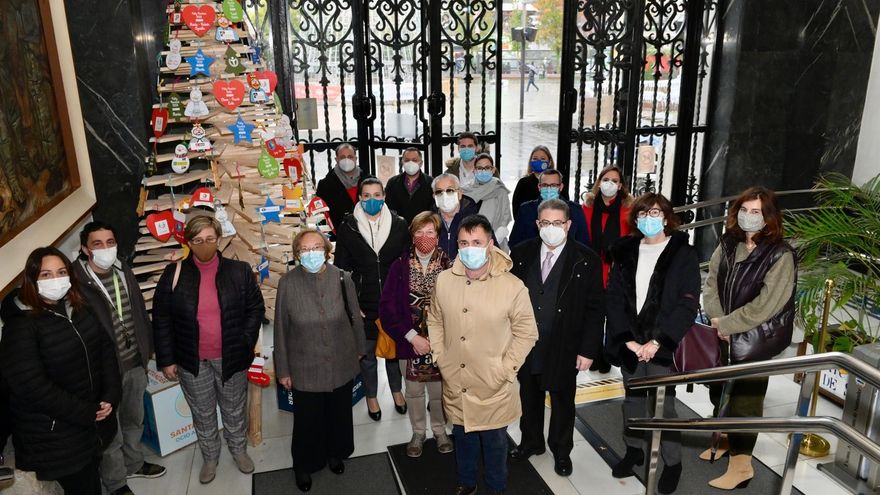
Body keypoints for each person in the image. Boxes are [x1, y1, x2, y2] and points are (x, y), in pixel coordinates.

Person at [427, 215, 538, 495]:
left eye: (477, 242)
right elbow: (435, 320)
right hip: (457, 378)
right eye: (464, 242)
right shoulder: (444, 281)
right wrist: (441, 356)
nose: (469, 248)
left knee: (495, 443)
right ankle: (467, 482)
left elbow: (527, 333)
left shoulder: (512, 286)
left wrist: (505, 369)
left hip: (494, 382)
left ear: (490, 245)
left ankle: (496, 486)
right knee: (463, 438)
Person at [152, 216, 265, 484]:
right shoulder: (174, 274)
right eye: (198, 240)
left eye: (210, 239)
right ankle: (210, 456)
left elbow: (255, 309)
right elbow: (162, 318)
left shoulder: (239, 271)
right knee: (202, 412)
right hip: (192, 359)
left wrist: (245, 341)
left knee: (234, 408)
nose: (205, 245)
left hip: (231, 356)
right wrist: (167, 359)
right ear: (188, 242)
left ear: (219, 239)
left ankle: (238, 450)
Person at [0, 247, 122, 494]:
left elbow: (105, 349)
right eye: (46, 274)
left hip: (91, 424)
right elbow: (31, 387)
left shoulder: (78, 306)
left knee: (92, 478)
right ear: (32, 280)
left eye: (61, 271)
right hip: (57, 435)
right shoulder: (20, 325)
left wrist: (110, 394)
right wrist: (86, 411)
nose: (55, 279)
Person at [604, 193, 700, 495]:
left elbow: (687, 303)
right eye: (643, 213)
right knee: (632, 400)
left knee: (663, 408)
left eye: (655, 212)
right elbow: (615, 298)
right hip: (631, 345)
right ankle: (634, 449)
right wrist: (627, 340)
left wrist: (659, 341)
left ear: (667, 216)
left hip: (663, 346)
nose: (649, 218)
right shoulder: (626, 251)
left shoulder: (682, 253)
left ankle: (673, 463)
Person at [701, 186, 796, 490]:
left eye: (756, 212)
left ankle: (743, 464)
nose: (748, 216)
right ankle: (725, 438)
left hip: (754, 338)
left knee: (745, 400)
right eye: (744, 209)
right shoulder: (729, 242)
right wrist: (717, 320)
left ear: (769, 217)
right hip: (723, 331)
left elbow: (767, 305)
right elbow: (711, 281)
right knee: (719, 390)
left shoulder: (780, 254)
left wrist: (727, 324)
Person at [508, 199, 605, 477]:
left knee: (562, 400)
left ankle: (562, 451)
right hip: (527, 343)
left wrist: (588, 349)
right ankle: (532, 442)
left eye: (558, 223)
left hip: (565, 342)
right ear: (538, 224)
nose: (552, 228)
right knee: (529, 394)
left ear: (568, 225)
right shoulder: (521, 253)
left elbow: (596, 308)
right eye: (546, 223)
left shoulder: (586, 259)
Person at [74, 222, 166, 494]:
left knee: (133, 419)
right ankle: (116, 482)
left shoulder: (122, 270)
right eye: (97, 244)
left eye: (110, 242)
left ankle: (135, 462)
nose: (106, 249)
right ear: (84, 249)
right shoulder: (77, 284)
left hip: (134, 362)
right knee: (109, 433)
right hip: (105, 373)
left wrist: (146, 350)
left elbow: (137, 310)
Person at [274, 229, 367, 492]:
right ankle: (304, 464)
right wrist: (283, 370)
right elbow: (280, 329)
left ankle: (334, 453)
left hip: (341, 360)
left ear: (327, 251)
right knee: (308, 421)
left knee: (338, 414)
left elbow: (354, 318)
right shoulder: (288, 283)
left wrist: (359, 350)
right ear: (297, 254)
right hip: (305, 366)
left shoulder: (341, 277)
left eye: (317, 247)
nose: (312, 253)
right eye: (305, 249)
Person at [334, 177, 410, 421]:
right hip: (363, 302)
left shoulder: (399, 225)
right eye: (366, 196)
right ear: (360, 198)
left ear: (384, 196)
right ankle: (371, 396)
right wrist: (351, 303)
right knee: (367, 353)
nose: (372, 200)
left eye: (377, 195)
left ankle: (397, 391)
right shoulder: (349, 226)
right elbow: (341, 269)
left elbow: (406, 265)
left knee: (392, 351)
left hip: (392, 301)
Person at [378, 212, 454, 458]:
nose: (424, 237)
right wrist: (412, 336)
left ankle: (440, 431)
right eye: (419, 232)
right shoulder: (399, 266)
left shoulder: (450, 266)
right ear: (411, 235)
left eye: (430, 232)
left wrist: (437, 338)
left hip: (441, 343)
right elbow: (387, 308)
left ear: (438, 236)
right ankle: (418, 432)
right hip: (408, 341)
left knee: (438, 391)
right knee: (412, 392)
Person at [581, 166, 633, 374]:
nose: (609, 183)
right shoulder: (586, 209)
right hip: (592, 271)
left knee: (614, 316)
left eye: (614, 180)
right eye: (605, 179)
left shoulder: (628, 211)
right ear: (598, 181)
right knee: (593, 316)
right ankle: (594, 355)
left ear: (620, 185)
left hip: (617, 272)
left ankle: (612, 354)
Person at [509, 169, 589, 248]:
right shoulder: (526, 210)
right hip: (532, 258)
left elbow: (583, 243)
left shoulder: (575, 210)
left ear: (561, 187)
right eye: (545, 185)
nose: (549, 189)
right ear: (539, 187)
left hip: (568, 259)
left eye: (554, 185)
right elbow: (515, 241)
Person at [461, 153, 512, 250]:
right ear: (474, 170)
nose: (483, 171)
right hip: (468, 242)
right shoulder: (466, 191)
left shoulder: (499, 190)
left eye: (487, 167)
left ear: (493, 170)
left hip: (496, 243)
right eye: (479, 168)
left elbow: (505, 219)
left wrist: (492, 240)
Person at [431, 173, 482, 260]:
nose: (444, 196)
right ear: (434, 196)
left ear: (459, 193)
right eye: (439, 192)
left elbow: (492, 253)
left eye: (450, 190)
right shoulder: (428, 223)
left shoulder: (477, 222)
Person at [510, 145, 566, 217]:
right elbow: (516, 210)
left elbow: (566, 205)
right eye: (535, 159)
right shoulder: (523, 183)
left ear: (549, 162)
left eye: (543, 159)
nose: (539, 161)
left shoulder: (558, 182)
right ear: (531, 161)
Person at [316, 143, 361, 232]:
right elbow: (321, 215)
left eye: (350, 157)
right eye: (342, 157)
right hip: (339, 233)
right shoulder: (325, 185)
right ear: (336, 160)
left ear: (355, 159)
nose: (347, 160)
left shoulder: (367, 180)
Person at [385, 147, 435, 225]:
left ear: (421, 163)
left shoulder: (431, 183)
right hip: (398, 228)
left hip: (423, 229)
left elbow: (433, 210)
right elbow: (389, 209)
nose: (410, 163)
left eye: (414, 160)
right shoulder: (393, 183)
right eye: (407, 160)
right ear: (402, 162)